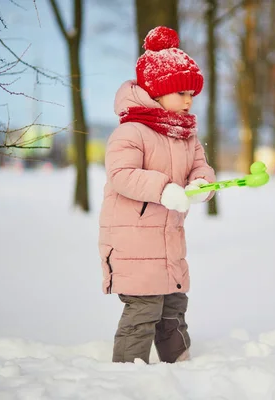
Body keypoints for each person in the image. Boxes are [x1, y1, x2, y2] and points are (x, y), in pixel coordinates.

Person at [98, 26, 216, 364]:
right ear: (157, 91)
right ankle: (127, 370)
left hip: (168, 238)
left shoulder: (185, 136)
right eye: (181, 92)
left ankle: (178, 363)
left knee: (173, 305)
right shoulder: (131, 131)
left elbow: (201, 168)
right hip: (133, 239)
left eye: (191, 92)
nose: (189, 100)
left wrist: (199, 186)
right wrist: (163, 189)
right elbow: (121, 174)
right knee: (144, 309)